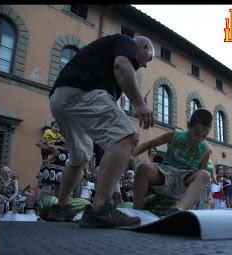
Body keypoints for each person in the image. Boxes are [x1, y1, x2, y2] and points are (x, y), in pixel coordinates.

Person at [46, 33, 155, 228]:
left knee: (80, 157)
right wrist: (139, 104)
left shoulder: (106, 66)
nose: (145, 65)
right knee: (127, 138)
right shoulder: (127, 42)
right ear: (144, 48)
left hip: (59, 98)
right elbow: (122, 64)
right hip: (82, 90)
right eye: (149, 59)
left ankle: (61, 208)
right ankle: (100, 209)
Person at [132, 109, 212, 213]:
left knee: (205, 175)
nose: (199, 138)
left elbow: (201, 178)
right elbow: (148, 145)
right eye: (197, 133)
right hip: (166, 173)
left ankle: (179, 209)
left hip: (186, 179)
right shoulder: (176, 134)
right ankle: (137, 209)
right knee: (144, 167)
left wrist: (196, 202)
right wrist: (129, 156)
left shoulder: (206, 149)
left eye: (204, 136)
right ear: (189, 126)